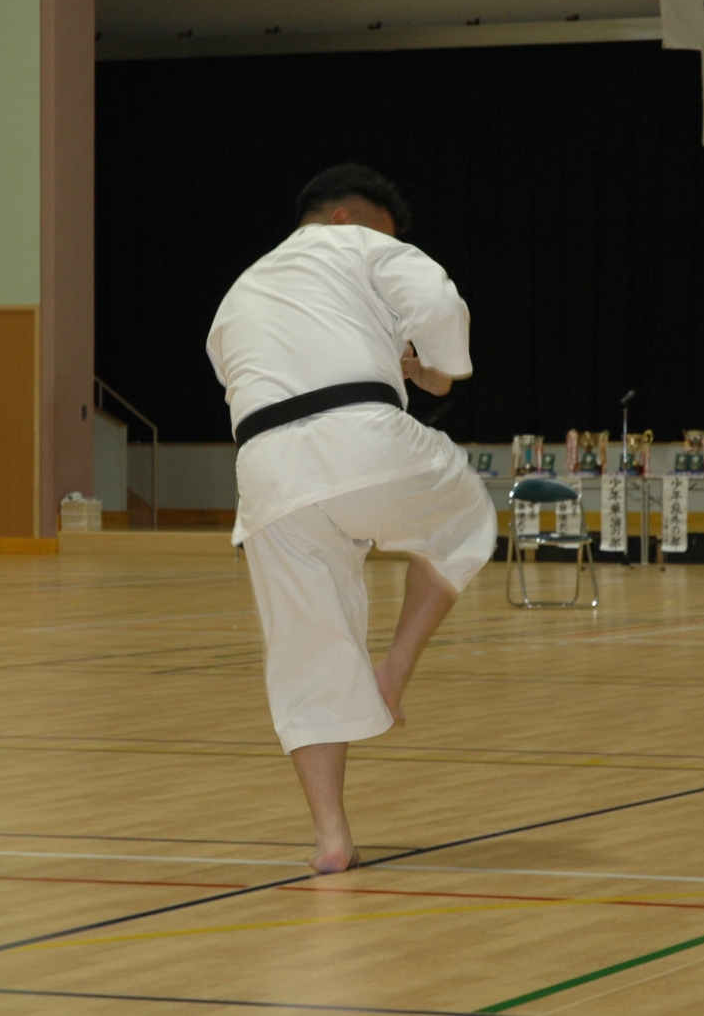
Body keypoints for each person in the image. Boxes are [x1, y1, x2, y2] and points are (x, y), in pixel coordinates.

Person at [206, 164, 494, 874]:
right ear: (344, 218)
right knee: (466, 520)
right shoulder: (355, 243)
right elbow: (437, 296)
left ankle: (331, 836)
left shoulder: (238, 293)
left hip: (267, 472)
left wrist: (403, 362)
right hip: (362, 439)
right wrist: (441, 369)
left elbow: (254, 372)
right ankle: (393, 669)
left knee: (305, 656)